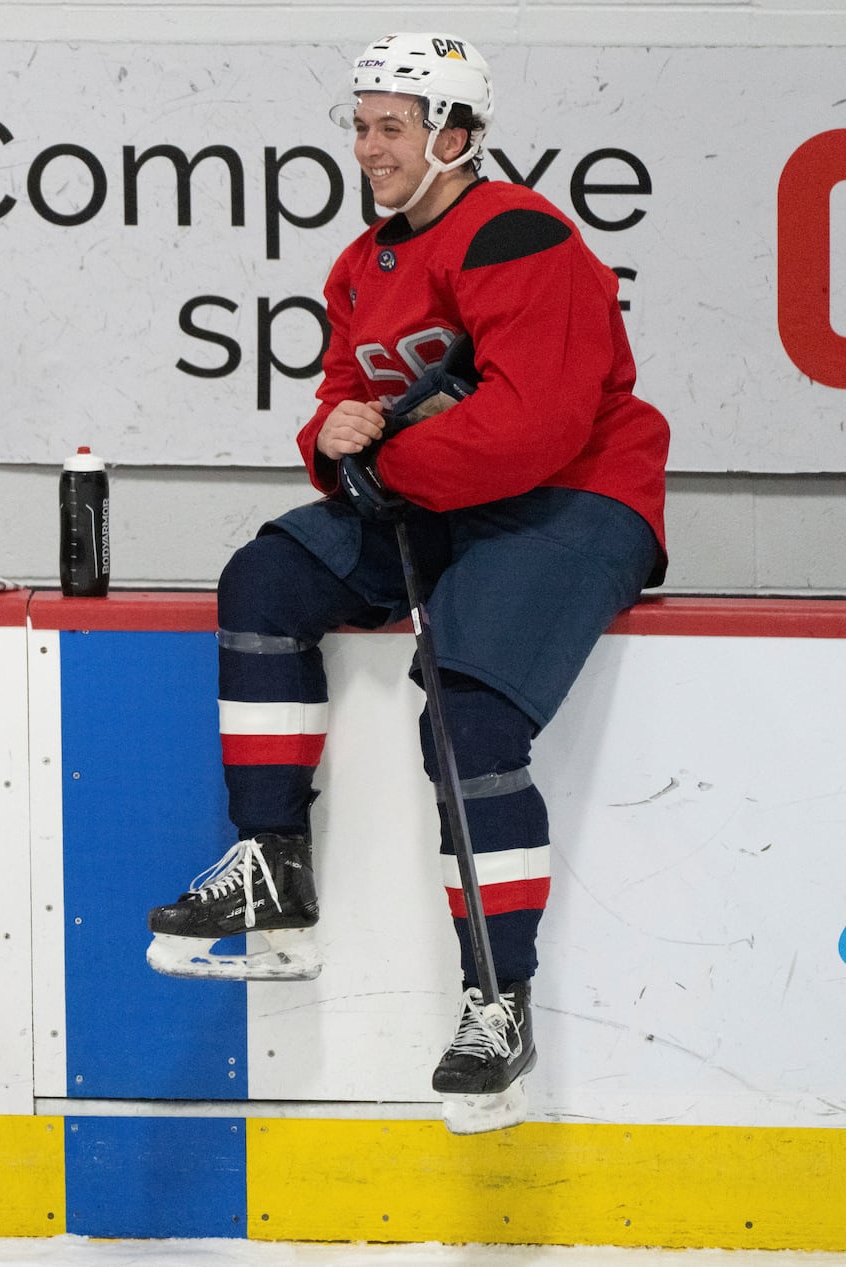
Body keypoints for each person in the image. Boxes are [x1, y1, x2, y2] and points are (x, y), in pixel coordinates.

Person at [145, 33, 669, 1133]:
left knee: (468, 713)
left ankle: (498, 997)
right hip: (435, 500)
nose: (367, 145)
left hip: (575, 502)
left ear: (456, 136)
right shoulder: (360, 264)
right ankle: (271, 861)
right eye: (362, 123)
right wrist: (331, 441)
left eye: (392, 126)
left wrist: (378, 464)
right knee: (267, 578)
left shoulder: (520, 237)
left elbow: (535, 427)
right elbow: (343, 406)